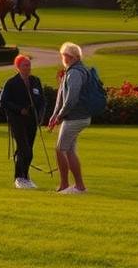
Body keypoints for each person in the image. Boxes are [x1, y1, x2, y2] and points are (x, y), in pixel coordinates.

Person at [48, 42, 91, 194]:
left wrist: (59, 116)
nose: (62, 58)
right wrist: (55, 115)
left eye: (64, 55)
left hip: (75, 118)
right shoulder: (73, 70)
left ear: (70, 57)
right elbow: (61, 96)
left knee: (61, 149)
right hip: (76, 117)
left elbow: (71, 99)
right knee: (68, 149)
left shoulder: (74, 73)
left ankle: (74, 186)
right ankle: (71, 185)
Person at [0, 54, 45, 189]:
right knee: (24, 149)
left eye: (29, 65)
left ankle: (25, 176)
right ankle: (19, 177)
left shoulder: (36, 80)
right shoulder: (11, 82)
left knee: (28, 149)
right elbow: (3, 101)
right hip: (17, 120)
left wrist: (40, 116)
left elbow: (42, 100)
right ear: (18, 67)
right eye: (25, 65)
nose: (28, 67)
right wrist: (19, 110)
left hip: (32, 120)